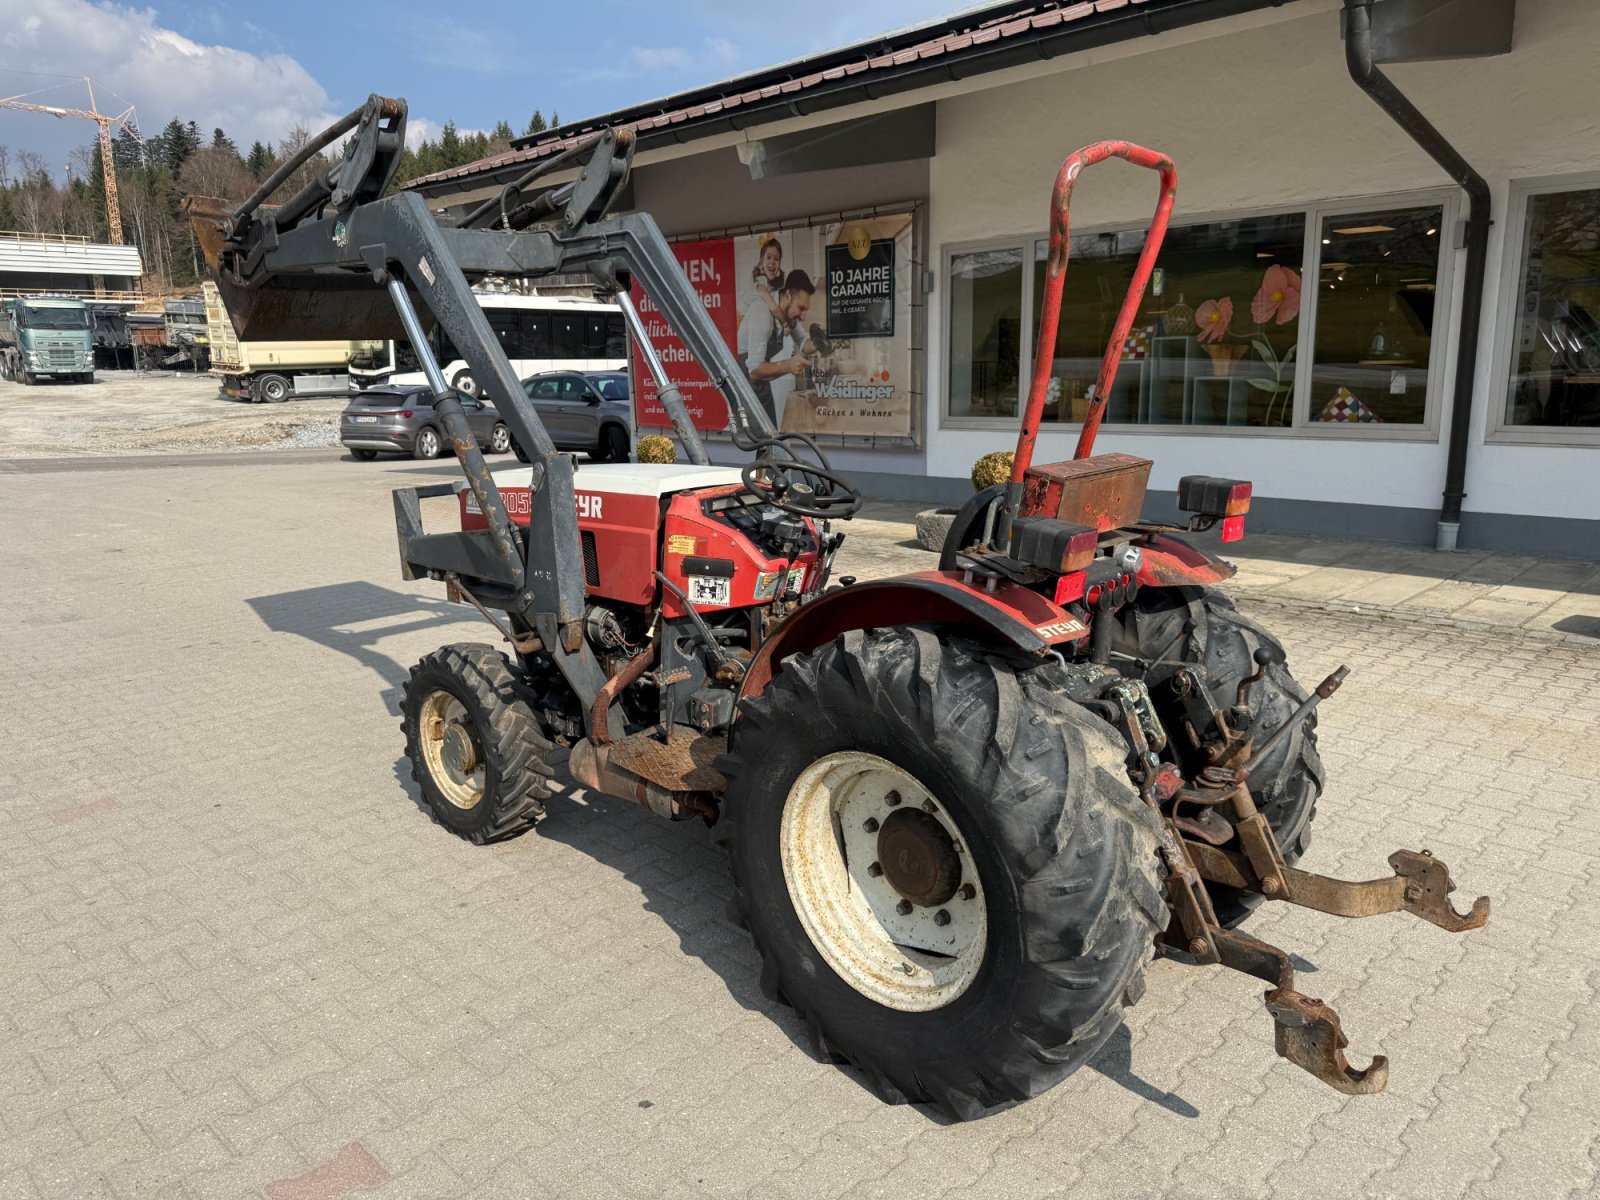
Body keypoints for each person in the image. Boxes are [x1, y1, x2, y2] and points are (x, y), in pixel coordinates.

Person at [741, 268, 816, 427]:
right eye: (801, 308)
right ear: (787, 295)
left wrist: (821, 341)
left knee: (772, 438)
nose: (803, 317)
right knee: (753, 441)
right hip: (743, 386)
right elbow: (754, 371)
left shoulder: (787, 316)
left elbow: (803, 342)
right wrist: (788, 365)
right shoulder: (762, 311)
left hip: (761, 384)